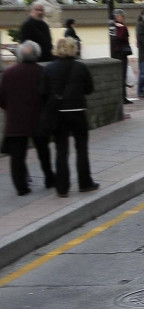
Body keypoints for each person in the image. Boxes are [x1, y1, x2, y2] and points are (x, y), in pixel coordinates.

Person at [40, 37, 99, 197]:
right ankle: (85, 183)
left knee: (61, 150)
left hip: (59, 113)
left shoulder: (49, 68)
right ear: (73, 49)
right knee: (81, 148)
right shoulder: (81, 67)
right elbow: (89, 89)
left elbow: (43, 92)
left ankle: (62, 187)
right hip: (78, 111)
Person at [0, 41, 55, 195]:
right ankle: (49, 178)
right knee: (44, 151)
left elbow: (2, 99)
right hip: (38, 119)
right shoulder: (43, 72)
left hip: (15, 120)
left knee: (17, 156)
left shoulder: (8, 74)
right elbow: (48, 96)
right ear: (37, 55)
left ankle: (21, 188)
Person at [110, 9, 133, 104]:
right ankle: (122, 97)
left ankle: (123, 96)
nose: (123, 18)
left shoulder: (114, 26)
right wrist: (122, 28)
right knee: (122, 75)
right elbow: (120, 37)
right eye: (122, 16)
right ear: (118, 17)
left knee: (122, 75)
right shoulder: (119, 27)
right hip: (120, 53)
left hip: (119, 52)